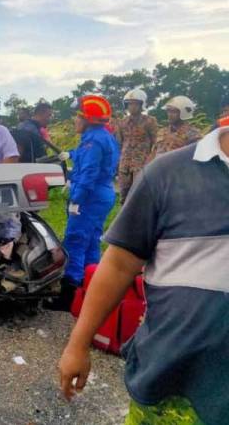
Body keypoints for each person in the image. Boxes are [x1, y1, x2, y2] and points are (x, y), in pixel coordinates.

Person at [58, 124, 229, 425]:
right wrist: (78, 344)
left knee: (80, 245)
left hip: (92, 198)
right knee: (80, 247)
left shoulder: (104, 138)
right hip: (170, 383)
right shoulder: (168, 173)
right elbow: (119, 265)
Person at [45, 95, 119, 311]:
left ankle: (67, 296)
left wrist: (76, 199)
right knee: (91, 241)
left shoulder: (93, 140)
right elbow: (88, 158)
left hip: (89, 197)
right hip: (101, 196)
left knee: (75, 241)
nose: (75, 121)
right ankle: (89, 288)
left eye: (78, 117)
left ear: (89, 119)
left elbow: (89, 172)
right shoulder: (101, 136)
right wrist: (71, 154)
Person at [115, 89, 158, 203]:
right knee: (124, 196)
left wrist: (151, 160)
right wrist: (117, 163)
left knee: (140, 195)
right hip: (124, 165)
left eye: (135, 104)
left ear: (141, 105)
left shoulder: (150, 121)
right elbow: (119, 144)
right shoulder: (122, 123)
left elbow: (156, 143)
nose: (132, 107)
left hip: (142, 164)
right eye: (129, 104)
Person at [148, 95, 200, 160]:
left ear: (184, 113)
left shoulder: (193, 134)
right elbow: (153, 153)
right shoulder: (162, 132)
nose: (170, 114)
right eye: (168, 111)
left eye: (174, 111)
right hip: (159, 168)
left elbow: (196, 157)